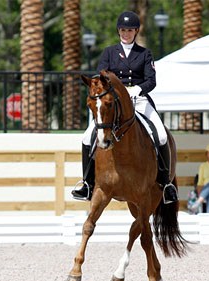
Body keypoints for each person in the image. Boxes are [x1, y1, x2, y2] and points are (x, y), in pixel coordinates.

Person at [72, 11, 178, 204]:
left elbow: (151, 81)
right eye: (123, 30)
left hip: (139, 100)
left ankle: (165, 183)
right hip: (112, 103)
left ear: (136, 31)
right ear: (118, 31)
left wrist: (136, 89)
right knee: (87, 136)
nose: (126, 33)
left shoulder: (144, 54)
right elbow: (100, 77)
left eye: (129, 30)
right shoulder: (109, 52)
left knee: (161, 135)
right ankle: (87, 183)